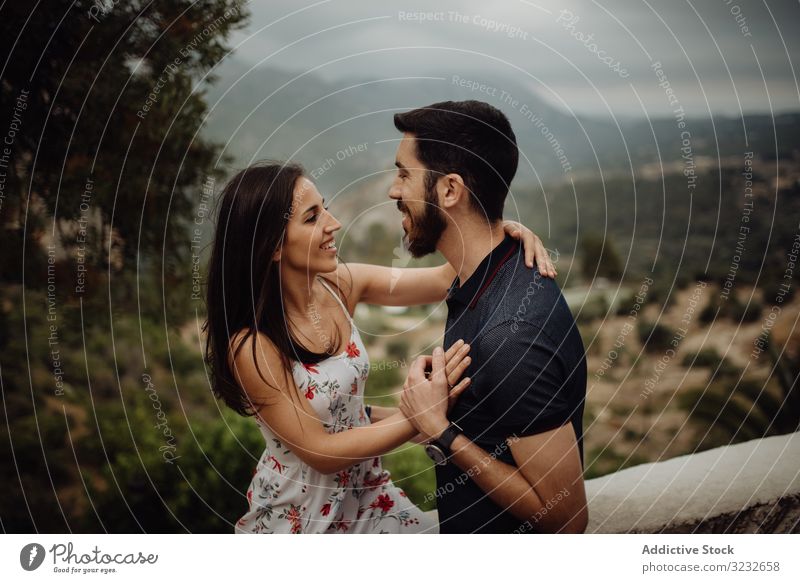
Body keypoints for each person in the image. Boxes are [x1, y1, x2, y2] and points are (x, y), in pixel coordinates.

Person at [203, 161, 554, 533]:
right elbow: (320, 451)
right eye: (312, 217)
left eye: (325, 207)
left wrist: (502, 235)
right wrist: (423, 414)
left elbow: (443, 279)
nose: (333, 223)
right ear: (272, 245)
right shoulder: (252, 345)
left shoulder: (340, 285)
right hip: (300, 519)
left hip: (370, 497)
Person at [391, 100, 589, 533]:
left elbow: (567, 518)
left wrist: (441, 433)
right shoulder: (484, 275)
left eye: (404, 173)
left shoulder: (510, 336)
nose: (393, 190)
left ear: (449, 190)